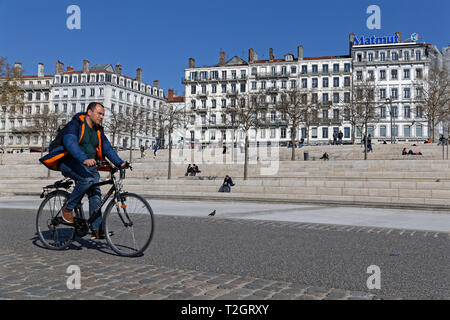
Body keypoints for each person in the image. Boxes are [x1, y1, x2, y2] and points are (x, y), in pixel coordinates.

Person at [40, 102, 126, 240]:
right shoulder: (75, 125)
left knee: (96, 193)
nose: (102, 116)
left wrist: (120, 162)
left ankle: (97, 229)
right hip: (67, 161)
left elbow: (107, 148)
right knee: (87, 179)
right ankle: (67, 209)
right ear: (89, 112)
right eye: (99, 113)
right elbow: (70, 142)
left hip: (87, 165)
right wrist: (84, 158)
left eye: (103, 114)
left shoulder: (98, 130)